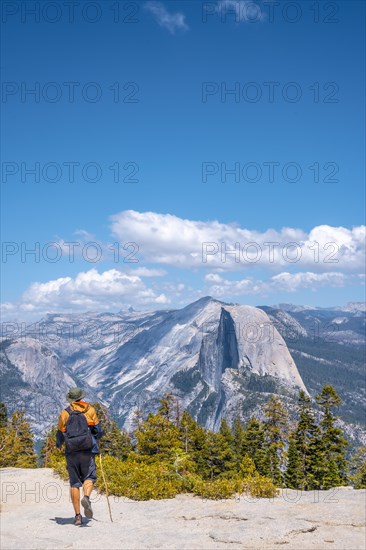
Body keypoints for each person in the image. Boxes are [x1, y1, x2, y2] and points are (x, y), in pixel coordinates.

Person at [56, 387, 103, 526]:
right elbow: (98, 431)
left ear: (70, 399)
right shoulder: (90, 410)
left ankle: (77, 516)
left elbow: (60, 434)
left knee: (74, 483)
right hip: (88, 450)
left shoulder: (65, 413)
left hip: (72, 452)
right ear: (81, 398)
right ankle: (87, 497)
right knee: (90, 476)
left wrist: (59, 445)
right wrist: (94, 439)